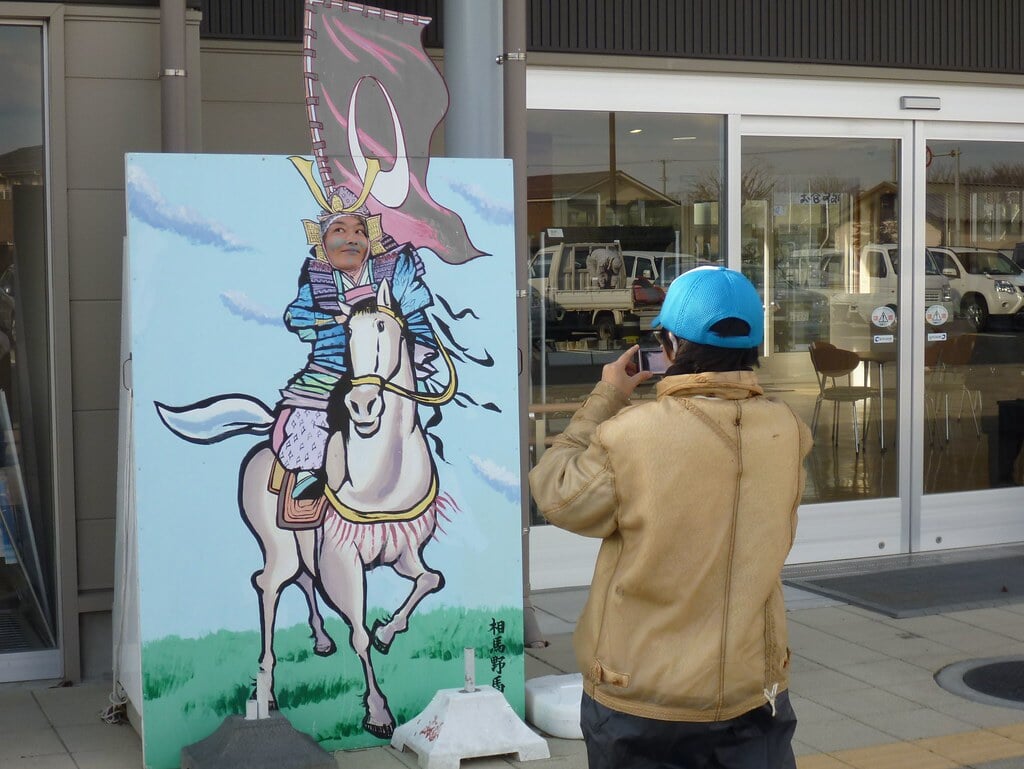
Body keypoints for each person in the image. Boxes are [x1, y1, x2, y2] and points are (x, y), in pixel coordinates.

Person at [529, 265, 813, 769]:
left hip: (642, 698)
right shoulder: (789, 431)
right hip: (752, 691)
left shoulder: (632, 434)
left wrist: (607, 396)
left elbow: (556, 493)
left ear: (673, 345)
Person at [278, 189, 438, 503]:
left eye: (359, 231)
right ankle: (310, 474)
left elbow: (414, 315)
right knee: (307, 415)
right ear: (322, 242)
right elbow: (296, 317)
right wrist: (331, 319)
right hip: (330, 367)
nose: (351, 239)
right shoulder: (317, 277)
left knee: (411, 413)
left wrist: (420, 350)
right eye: (340, 231)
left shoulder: (393, 270)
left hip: (385, 367)